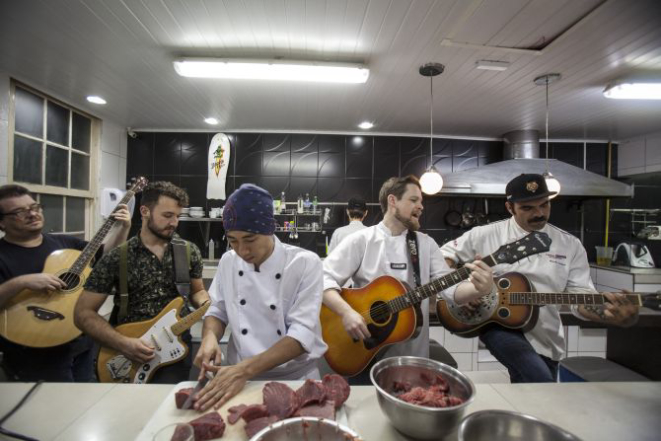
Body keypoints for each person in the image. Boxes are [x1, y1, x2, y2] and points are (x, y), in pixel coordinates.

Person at [440, 173, 639, 383]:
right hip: (498, 327)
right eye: (528, 208)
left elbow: (580, 297)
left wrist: (609, 315)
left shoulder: (569, 245)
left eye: (544, 205)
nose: (539, 213)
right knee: (539, 379)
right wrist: (462, 291)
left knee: (540, 396)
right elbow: (442, 258)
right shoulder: (485, 234)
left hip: (546, 337)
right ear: (510, 208)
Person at [322, 175, 494, 382]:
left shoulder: (425, 244)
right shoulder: (362, 240)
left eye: (421, 201)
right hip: (363, 352)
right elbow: (323, 278)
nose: (421, 207)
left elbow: (450, 290)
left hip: (412, 357)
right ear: (392, 201)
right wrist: (347, 312)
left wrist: (479, 289)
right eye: (414, 200)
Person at [193, 184, 327, 411]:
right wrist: (209, 338)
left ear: (269, 228)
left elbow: (302, 334)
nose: (242, 250)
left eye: (249, 239)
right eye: (233, 240)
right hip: (238, 379)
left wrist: (244, 370)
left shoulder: (305, 263)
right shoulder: (228, 261)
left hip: (294, 379)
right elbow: (217, 310)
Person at [75, 181, 210, 384]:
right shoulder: (116, 257)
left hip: (175, 348)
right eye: (167, 215)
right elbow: (82, 314)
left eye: (177, 216)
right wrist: (123, 344)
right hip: (126, 354)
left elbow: (197, 291)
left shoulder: (189, 251)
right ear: (145, 211)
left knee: (167, 410)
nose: (174, 222)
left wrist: (205, 302)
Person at [0, 184, 131, 382]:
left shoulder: (64, 243)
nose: (32, 214)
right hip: (35, 353)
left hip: (80, 343)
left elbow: (107, 257)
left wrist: (123, 228)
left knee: (83, 403)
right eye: (19, 212)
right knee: (53, 409)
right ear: (2, 223)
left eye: (34, 207)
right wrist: (22, 282)